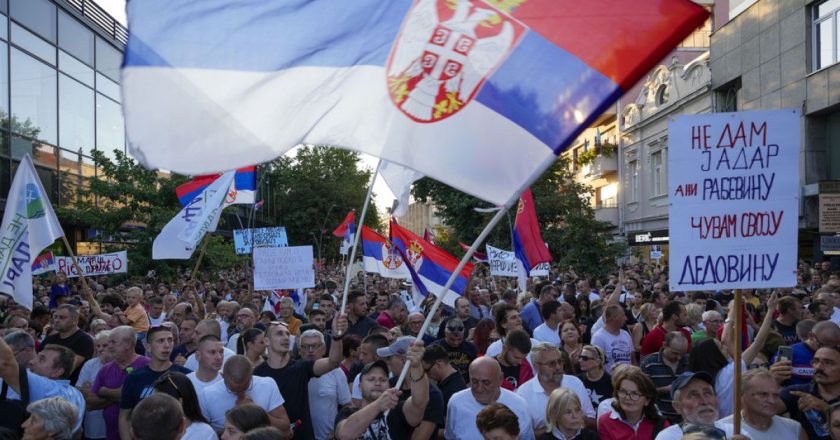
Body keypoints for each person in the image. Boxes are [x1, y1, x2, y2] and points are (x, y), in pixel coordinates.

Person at [254, 313, 347, 440]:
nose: (286, 337)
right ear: (266, 341)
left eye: (287, 334)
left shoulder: (301, 367)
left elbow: (333, 362)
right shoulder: (257, 374)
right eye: (279, 334)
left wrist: (337, 337)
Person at [689, 292, 777, 418]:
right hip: (731, 427)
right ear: (713, 355)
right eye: (720, 347)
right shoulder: (729, 373)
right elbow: (757, 343)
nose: (725, 347)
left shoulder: (698, 381)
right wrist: (770, 310)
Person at [0, 336, 86, 434]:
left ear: (57, 372)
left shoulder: (50, 389)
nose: (31, 361)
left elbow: (5, 364)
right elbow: (79, 431)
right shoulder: (78, 395)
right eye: (37, 356)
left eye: (42, 359)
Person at [333, 357, 429, 440]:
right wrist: (378, 405)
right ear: (360, 387)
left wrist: (416, 366)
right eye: (371, 379)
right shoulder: (347, 413)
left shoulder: (398, 410)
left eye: (383, 380)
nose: (377, 383)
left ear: (389, 385)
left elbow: (419, 403)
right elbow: (344, 435)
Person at [445, 357, 534, 440]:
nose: (479, 388)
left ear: (500, 379)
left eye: (486, 382)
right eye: (474, 382)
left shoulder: (519, 404)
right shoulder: (456, 402)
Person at [517, 343, 596, 436]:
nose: (558, 367)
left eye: (560, 361)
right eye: (551, 364)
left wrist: (577, 421)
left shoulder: (575, 383)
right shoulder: (524, 393)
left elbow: (592, 422)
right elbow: (525, 435)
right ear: (536, 366)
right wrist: (557, 426)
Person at [200, 355, 290, 434]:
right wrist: (234, 425)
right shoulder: (207, 395)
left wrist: (257, 414)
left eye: (245, 388)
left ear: (252, 373)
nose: (240, 394)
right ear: (223, 376)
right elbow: (203, 434)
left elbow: (285, 425)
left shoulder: (268, 384)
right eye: (233, 390)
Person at [377, 337, 442, 440]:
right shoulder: (391, 384)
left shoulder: (432, 394)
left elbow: (420, 437)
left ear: (403, 360)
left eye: (390, 358)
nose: (387, 362)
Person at [91, 326, 149, 440]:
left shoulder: (147, 366)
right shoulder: (106, 369)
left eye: (113, 342)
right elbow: (89, 403)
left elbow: (139, 398)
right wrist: (119, 395)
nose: (110, 346)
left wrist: (104, 391)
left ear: (128, 344)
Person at [719, 368, 806, 439]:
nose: (772, 400)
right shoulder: (722, 429)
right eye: (763, 394)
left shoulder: (794, 428)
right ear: (742, 395)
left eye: (775, 395)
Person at [300, 329, 352, 440]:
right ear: (300, 350)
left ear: (324, 349)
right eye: (305, 347)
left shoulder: (336, 372)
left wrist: (338, 429)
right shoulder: (292, 371)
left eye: (315, 346)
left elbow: (347, 406)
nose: (310, 351)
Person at [780, 346, 840, 439]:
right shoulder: (797, 392)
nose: (819, 367)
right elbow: (763, 408)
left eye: (828, 363)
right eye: (815, 361)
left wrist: (826, 409)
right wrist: (772, 381)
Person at [654, 372, 735, 440]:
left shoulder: (734, 431)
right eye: (693, 396)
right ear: (677, 407)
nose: (704, 401)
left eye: (707, 393)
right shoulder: (668, 437)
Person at [598, 364, 668, 439]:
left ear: (647, 400)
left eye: (635, 393)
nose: (627, 397)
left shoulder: (661, 424)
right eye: (623, 391)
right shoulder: (606, 421)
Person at [641, 331, 688, 423]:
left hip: (685, 420)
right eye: (675, 353)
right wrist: (666, 389)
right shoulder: (649, 363)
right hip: (657, 420)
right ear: (665, 345)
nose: (679, 357)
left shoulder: (689, 361)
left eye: (682, 354)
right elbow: (642, 392)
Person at [153, 371, 217, 440]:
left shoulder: (205, 433)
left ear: (180, 402)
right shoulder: (152, 429)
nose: (156, 407)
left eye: (162, 402)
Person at [41, 304, 94, 385]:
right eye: (55, 317)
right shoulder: (49, 339)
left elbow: (68, 369)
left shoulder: (84, 340)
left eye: (62, 317)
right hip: (44, 381)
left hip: (66, 387)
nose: (57, 320)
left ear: (75, 320)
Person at [76, 330, 112, 440]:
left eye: (105, 345)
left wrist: (92, 389)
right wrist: (114, 394)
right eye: (98, 346)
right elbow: (80, 392)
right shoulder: (90, 364)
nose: (100, 349)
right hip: (93, 427)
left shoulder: (122, 364)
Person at [422, 343, 467, 411]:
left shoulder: (452, 391)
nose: (427, 375)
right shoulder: (453, 380)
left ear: (438, 364)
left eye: (427, 370)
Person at [591, 304, 634, 373]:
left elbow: (632, 358)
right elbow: (597, 364)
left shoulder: (625, 334)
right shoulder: (598, 337)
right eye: (623, 316)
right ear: (613, 317)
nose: (626, 318)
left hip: (627, 379)